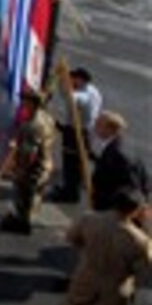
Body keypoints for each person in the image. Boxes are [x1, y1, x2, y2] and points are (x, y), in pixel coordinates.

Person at [64, 189, 152, 305]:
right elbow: (144, 272)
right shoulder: (140, 240)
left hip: (86, 277)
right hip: (115, 288)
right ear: (136, 211)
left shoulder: (89, 219)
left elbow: (72, 238)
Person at [1, 90, 55, 234]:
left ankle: (23, 223)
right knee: (35, 196)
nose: (22, 102)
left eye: (24, 100)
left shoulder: (31, 125)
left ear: (31, 103)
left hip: (32, 169)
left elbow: (29, 153)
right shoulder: (47, 118)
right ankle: (27, 218)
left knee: (24, 197)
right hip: (45, 164)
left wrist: (19, 171)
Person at [50, 67, 103, 203]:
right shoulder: (93, 91)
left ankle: (70, 193)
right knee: (76, 163)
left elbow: (71, 98)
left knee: (71, 163)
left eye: (73, 80)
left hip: (76, 132)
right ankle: (70, 188)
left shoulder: (84, 94)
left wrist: (63, 83)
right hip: (82, 129)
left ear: (79, 79)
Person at [91, 110, 150, 211]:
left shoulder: (118, 153)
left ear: (109, 129)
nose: (94, 127)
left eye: (98, 124)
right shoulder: (122, 145)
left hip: (114, 208)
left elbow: (130, 184)